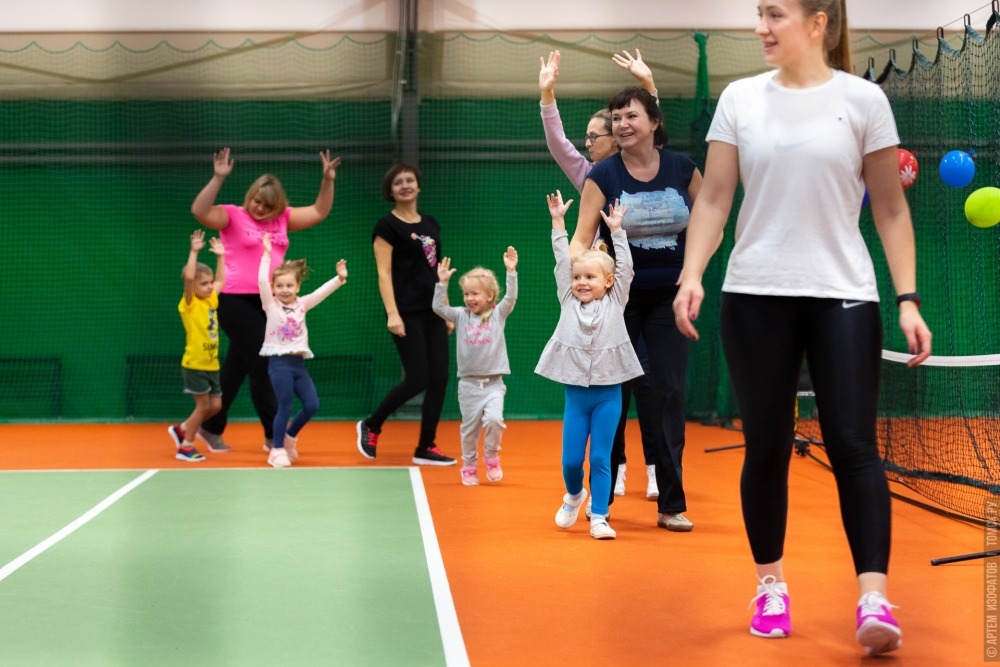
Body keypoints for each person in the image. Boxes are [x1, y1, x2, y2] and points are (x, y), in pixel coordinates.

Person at [671, 0, 932, 655]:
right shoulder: (739, 98)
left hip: (843, 294)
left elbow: (892, 210)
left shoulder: (863, 101)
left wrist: (907, 298)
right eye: (759, 13)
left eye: (776, 14)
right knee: (766, 447)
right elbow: (714, 196)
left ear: (819, 22)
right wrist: (693, 272)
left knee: (853, 444)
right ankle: (770, 585)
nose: (762, 26)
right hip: (754, 296)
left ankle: (874, 596)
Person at [570, 85, 703, 531]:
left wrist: (695, 269)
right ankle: (600, 503)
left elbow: (711, 217)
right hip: (617, 300)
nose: (622, 125)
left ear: (653, 122)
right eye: (616, 118)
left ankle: (670, 504)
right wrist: (582, 275)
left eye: (631, 116)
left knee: (666, 392)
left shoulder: (683, 168)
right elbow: (580, 239)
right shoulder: (603, 176)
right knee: (614, 398)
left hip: (670, 295)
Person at [539, 48, 661, 501]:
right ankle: (619, 470)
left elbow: (652, 122)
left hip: (646, 285)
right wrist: (547, 92)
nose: (587, 143)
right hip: (609, 296)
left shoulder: (649, 161)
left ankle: (654, 470)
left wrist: (648, 84)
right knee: (612, 386)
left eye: (595, 136)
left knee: (649, 382)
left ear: (618, 135)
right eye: (587, 137)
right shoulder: (592, 176)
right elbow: (558, 143)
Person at [191, 147, 341, 453]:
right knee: (265, 361)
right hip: (233, 299)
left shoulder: (283, 219)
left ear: (278, 206)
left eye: (267, 206)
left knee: (237, 365)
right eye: (257, 202)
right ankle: (275, 436)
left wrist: (327, 180)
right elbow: (200, 210)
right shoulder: (233, 215)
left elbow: (319, 211)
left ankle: (210, 426)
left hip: (267, 302)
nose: (260, 209)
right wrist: (218, 178)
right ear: (250, 197)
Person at [537, 192, 643, 541]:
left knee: (600, 456)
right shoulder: (567, 299)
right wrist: (558, 223)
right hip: (577, 398)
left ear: (608, 283)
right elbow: (560, 262)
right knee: (571, 462)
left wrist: (617, 232)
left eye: (590, 277)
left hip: (609, 395)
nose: (582, 282)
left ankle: (600, 515)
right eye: (578, 277)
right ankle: (573, 496)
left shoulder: (616, 300)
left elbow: (625, 267)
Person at [356, 163, 457, 466]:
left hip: (433, 311)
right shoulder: (387, 227)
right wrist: (392, 314)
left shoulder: (431, 223)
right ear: (391, 190)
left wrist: (447, 309)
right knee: (418, 378)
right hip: (406, 312)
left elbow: (438, 272)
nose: (405, 185)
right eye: (398, 182)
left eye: (410, 180)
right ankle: (372, 424)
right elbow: (384, 273)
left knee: (439, 377)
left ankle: (426, 446)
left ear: (418, 185)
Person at [258, 233, 348, 468]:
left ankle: (289, 437)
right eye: (279, 286)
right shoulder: (270, 305)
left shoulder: (302, 304)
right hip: (278, 365)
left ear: (297, 286)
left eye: (289, 285)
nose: (285, 290)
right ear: (273, 289)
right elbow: (260, 282)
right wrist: (266, 255)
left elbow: (320, 293)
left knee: (312, 405)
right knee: (284, 407)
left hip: (298, 365)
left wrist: (338, 279)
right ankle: (276, 450)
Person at [432, 248, 519, 485]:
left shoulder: (498, 314)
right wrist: (442, 283)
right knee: (469, 429)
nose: (470, 298)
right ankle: (469, 465)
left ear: (490, 296)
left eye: (475, 294)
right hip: (468, 385)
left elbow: (510, 299)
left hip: (493, 384)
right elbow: (439, 309)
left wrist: (511, 272)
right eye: (467, 294)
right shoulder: (460, 315)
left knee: (493, 420)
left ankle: (491, 457)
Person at [168, 230, 226, 462]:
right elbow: (189, 278)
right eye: (204, 283)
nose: (210, 286)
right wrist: (194, 251)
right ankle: (186, 446)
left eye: (209, 282)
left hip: (212, 364)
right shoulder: (190, 303)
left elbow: (221, 280)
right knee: (203, 406)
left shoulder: (211, 299)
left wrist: (221, 257)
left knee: (216, 406)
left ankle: (182, 428)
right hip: (195, 363)